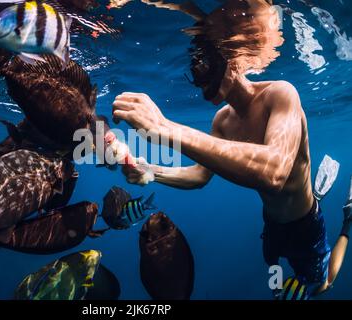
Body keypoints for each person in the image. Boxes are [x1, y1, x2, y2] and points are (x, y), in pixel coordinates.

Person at [111, 0, 351, 298]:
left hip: (306, 224)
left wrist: (168, 129)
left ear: (234, 62)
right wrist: (151, 171)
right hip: (272, 224)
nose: (200, 72)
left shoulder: (280, 94)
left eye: (208, 62)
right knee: (278, 287)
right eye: (197, 68)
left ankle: (347, 225)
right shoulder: (222, 121)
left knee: (320, 285)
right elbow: (199, 176)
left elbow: (274, 171)